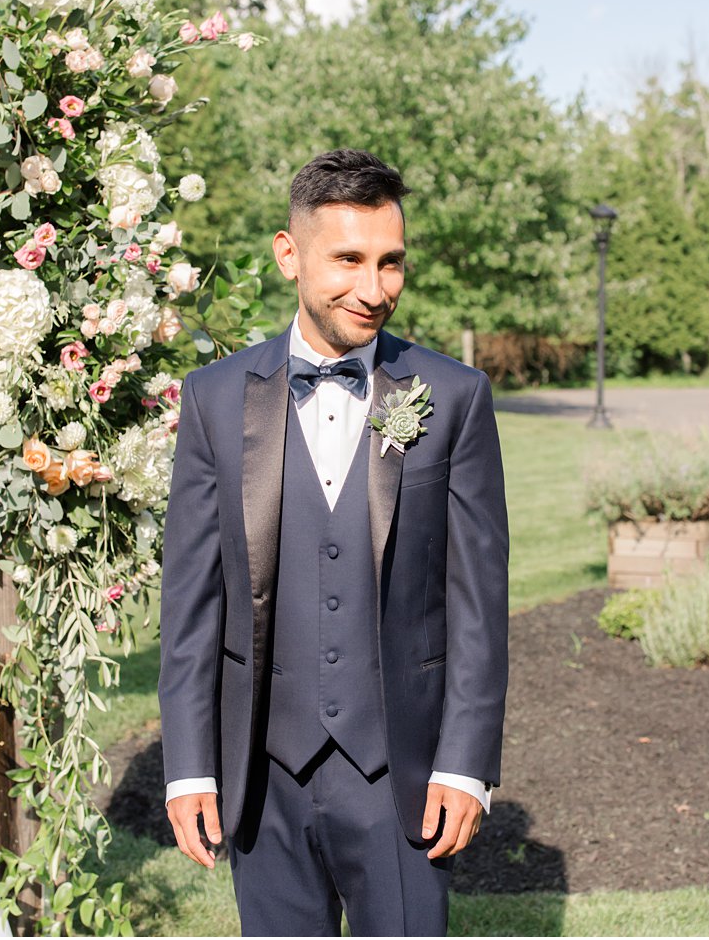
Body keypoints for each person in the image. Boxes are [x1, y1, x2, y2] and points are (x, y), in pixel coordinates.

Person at [158, 149, 509, 935]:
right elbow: (189, 603)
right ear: (290, 253)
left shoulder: (451, 397)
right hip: (264, 776)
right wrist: (188, 765)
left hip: (402, 778)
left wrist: (465, 762)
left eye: (391, 262)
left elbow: (478, 601)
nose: (374, 288)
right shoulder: (215, 399)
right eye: (348, 259)